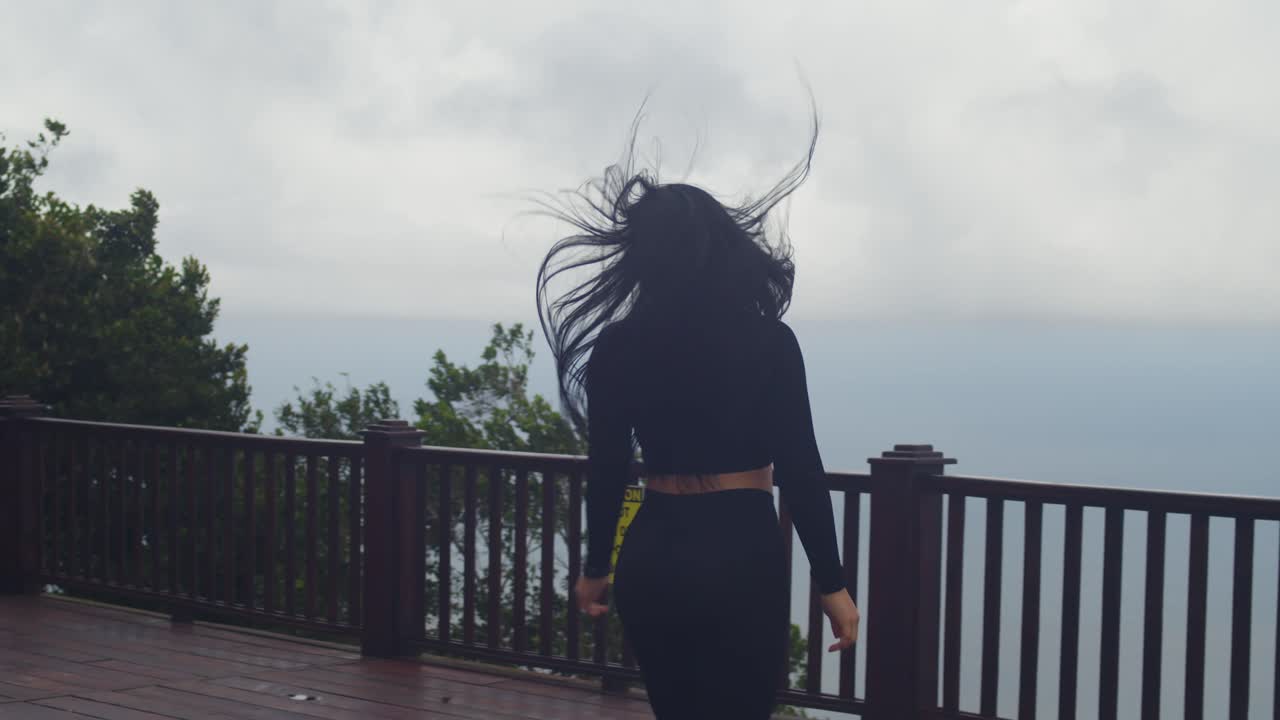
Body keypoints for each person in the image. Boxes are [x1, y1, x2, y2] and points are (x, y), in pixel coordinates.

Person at [535, 105, 859, 719]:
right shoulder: (769, 340)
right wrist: (832, 582)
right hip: (739, 550)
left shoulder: (619, 344)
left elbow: (606, 467)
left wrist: (596, 565)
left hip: (653, 552)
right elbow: (800, 465)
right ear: (723, 249)